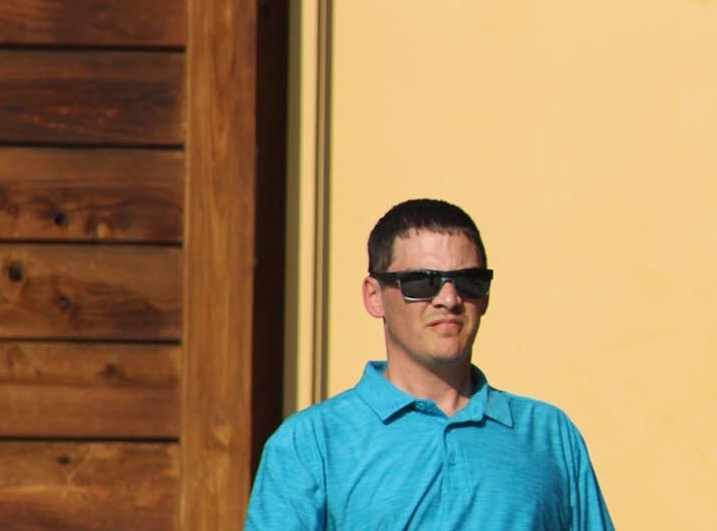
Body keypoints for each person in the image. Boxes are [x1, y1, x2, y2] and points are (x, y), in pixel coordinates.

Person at [245, 198, 614, 530]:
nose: (449, 299)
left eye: (469, 281)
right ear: (374, 297)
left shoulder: (549, 435)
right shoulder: (310, 444)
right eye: (423, 282)